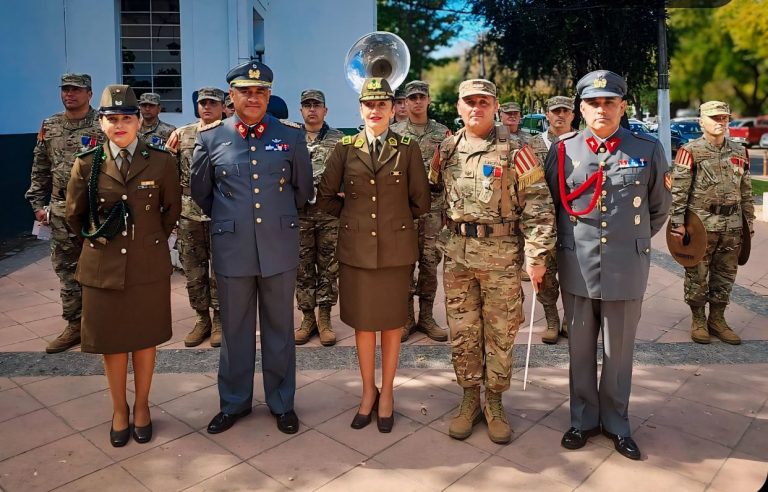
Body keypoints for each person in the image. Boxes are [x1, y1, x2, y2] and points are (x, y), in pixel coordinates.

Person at [544, 70, 671, 460]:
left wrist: (627, 242)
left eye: (609, 102)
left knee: (619, 354)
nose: (602, 109)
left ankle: (617, 423)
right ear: (581, 108)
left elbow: (658, 209)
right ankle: (582, 420)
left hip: (625, 267)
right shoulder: (563, 150)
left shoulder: (647, 148)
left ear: (622, 106)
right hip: (577, 265)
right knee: (580, 350)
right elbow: (550, 205)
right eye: (594, 103)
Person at [430, 79, 556, 444]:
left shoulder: (516, 150)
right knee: (463, 331)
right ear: (458, 107)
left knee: (501, 333)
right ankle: (470, 398)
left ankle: (496, 402)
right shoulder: (447, 148)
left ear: (495, 106)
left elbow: (539, 206)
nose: (476, 108)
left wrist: (536, 256)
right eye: (469, 101)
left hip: (501, 259)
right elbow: (432, 191)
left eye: (483, 102)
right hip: (458, 258)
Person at [191, 61, 313, 435]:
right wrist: (236, 220)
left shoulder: (291, 136)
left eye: (261, 91)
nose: (254, 97)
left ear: (269, 95)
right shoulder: (211, 138)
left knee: (279, 329)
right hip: (233, 248)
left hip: (278, 245)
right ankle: (234, 402)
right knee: (235, 331)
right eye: (246, 91)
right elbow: (202, 193)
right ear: (232, 95)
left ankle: (282, 402)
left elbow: (302, 191)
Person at [65, 84, 181, 447]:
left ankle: (142, 406)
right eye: (112, 119)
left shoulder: (161, 161)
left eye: (126, 118)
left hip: (147, 266)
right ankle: (119, 409)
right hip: (104, 268)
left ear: (138, 121)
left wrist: (147, 241)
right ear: (101, 123)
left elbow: (170, 211)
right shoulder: (87, 163)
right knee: (112, 343)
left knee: (145, 341)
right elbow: (75, 217)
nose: (119, 125)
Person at [317, 77, 430, 433]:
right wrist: (354, 218)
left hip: (395, 251)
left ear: (393, 109)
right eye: (370, 104)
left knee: (393, 324)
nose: (376, 110)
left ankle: (387, 394)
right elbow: (325, 197)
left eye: (383, 104)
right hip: (357, 251)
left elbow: (421, 202)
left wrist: (390, 221)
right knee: (364, 325)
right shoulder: (344, 148)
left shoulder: (408, 148)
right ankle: (368, 391)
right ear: (360, 109)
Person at [25, 73, 104, 354]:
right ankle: (74, 325)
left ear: (89, 94)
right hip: (60, 209)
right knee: (67, 270)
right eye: (66, 89)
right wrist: (37, 204)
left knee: (101, 270)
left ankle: (101, 324)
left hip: (97, 212)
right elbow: (40, 167)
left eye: (76, 90)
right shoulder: (51, 125)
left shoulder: (104, 124)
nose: (69, 94)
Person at [669, 101, 755, 345]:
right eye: (715, 117)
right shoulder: (690, 151)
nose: (720, 122)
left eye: (724, 118)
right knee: (697, 274)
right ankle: (698, 320)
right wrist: (677, 223)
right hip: (701, 226)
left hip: (732, 225)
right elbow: (679, 191)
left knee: (725, 274)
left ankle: (717, 320)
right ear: (701, 122)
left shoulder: (740, 151)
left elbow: (746, 190)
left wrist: (749, 221)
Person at [391, 80, 451, 342]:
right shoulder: (393, 133)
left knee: (429, 264)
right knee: (404, 264)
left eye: (421, 97)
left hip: (433, 210)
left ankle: (426, 317)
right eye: (412, 98)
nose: (417, 102)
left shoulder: (442, 133)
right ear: (405, 102)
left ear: (428, 100)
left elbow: (450, 171)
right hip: (403, 210)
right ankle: (406, 318)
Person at [171, 87, 226, 347]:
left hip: (221, 211)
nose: (207, 107)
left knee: (221, 269)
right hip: (188, 212)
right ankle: (201, 318)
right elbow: (170, 175)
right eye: (203, 103)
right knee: (193, 269)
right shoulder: (182, 135)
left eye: (213, 103)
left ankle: (219, 319)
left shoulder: (231, 134)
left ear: (223, 106)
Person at [294, 89, 345, 346]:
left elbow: (350, 170)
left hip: (328, 214)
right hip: (300, 213)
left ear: (325, 110)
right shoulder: (291, 138)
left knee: (329, 266)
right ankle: (307, 319)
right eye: (307, 105)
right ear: (301, 110)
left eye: (317, 105)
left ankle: (324, 318)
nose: (312, 109)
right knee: (302, 267)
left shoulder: (340, 140)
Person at [528, 96, 576, 344]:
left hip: (574, 220)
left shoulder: (582, 143)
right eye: (556, 111)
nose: (561, 115)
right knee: (545, 274)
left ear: (573, 114)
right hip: (542, 220)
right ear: (547, 114)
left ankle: (569, 318)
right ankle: (551, 320)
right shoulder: (533, 144)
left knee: (574, 271)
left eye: (565, 111)